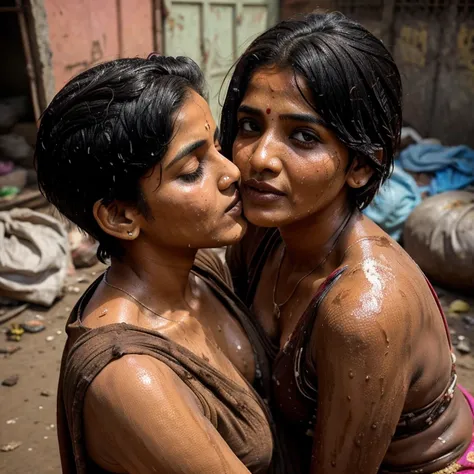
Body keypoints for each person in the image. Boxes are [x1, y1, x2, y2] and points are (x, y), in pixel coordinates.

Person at [221, 12, 474, 474]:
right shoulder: (259, 234)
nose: (259, 158)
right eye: (250, 126)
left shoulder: (362, 310)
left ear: (360, 165)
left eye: (302, 136)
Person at [35, 56, 282, 474]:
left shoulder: (200, 269)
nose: (232, 172)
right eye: (191, 170)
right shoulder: (132, 378)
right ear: (121, 217)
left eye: (218, 147)